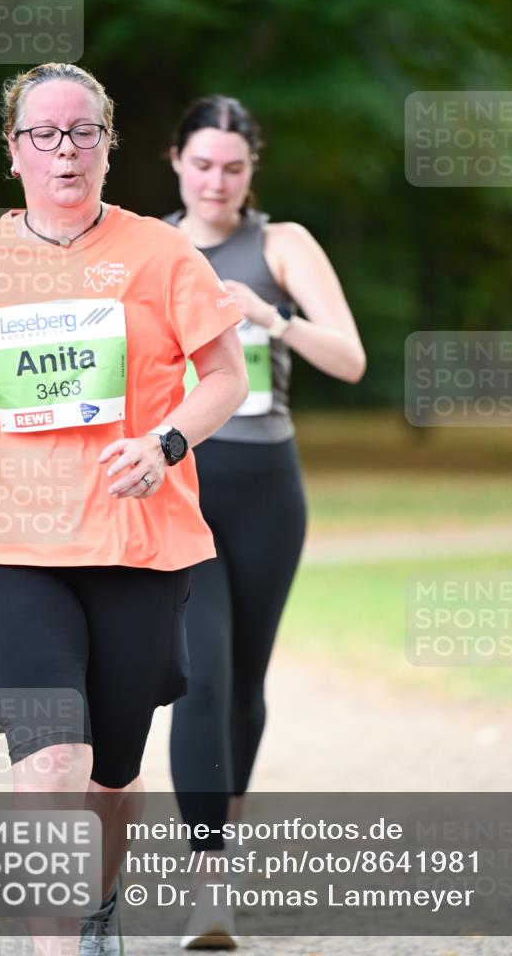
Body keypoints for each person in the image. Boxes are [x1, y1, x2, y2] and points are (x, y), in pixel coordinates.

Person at [0, 64, 247, 956]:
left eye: (82, 132)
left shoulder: (161, 253)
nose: (64, 150)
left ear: (108, 144)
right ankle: (56, 946)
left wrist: (164, 445)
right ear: (14, 149)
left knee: (110, 772)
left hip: (132, 537)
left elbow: (223, 376)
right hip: (5, 538)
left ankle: (97, 897)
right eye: (44, 134)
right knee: (51, 762)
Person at [165, 95, 366, 948]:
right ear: (175, 159)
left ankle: (224, 853)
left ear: (254, 171)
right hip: (179, 481)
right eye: (203, 164)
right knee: (198, 679)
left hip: (265, 487)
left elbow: (350, 360)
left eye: (234, 168)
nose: (217, 181)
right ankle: (206, 882)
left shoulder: (283, 245)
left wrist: (269, 315)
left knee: (243, 684)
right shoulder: (147, 245)